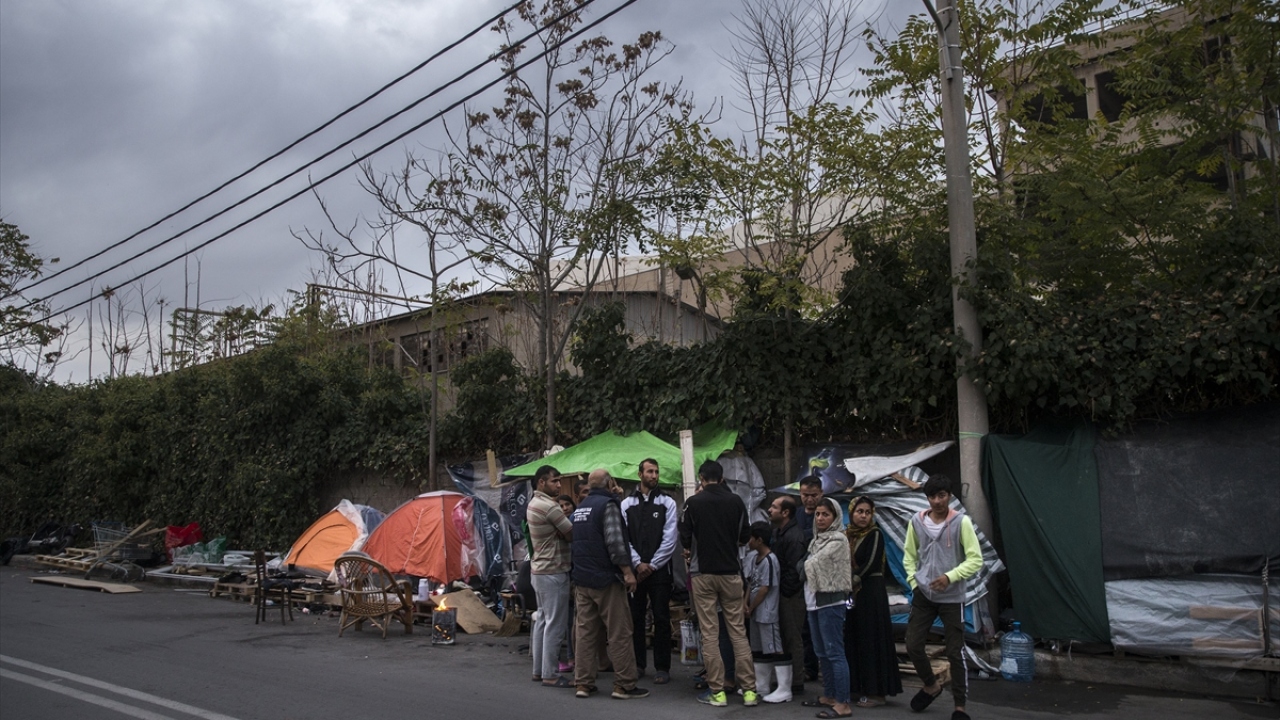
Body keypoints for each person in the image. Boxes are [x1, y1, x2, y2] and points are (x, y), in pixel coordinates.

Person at [903, 474, 983, 720]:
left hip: (951, 597)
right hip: (924, 595)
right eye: (932, 496)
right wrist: (914, 582)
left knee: (954, 651)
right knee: (913, 645)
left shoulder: (962, 523)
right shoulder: (916, 521)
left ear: (949, 496)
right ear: (926, 498)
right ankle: (931, 685)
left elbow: (975, 559)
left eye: (941, 496)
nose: (937, 501)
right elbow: (909, 555)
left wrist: (951, 576)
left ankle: (960, 706)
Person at [679, 460, 758, 707]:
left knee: (710, 634)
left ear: (701, 478)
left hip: (702, 573)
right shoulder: (736, 502)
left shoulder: (693, 503)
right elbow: (745, 536)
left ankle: (718, 691)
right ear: (722, 478)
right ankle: (749, 691)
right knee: (738, 632)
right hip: (731, 572)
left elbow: (684, 537)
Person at [570, 469, 649, 700]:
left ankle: (583, 683)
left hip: (582, 579)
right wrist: (627, 572)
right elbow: (614, 541)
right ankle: (624, 684)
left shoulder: (582, 507)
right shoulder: (608, 506)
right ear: (610, 483)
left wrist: (615, 497)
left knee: (585, 633)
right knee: (619, 631)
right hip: (606, 578)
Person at [620, 458, 678, 685]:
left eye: (656, 471)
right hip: (636, 572)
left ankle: (662, 667)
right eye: (650, 471)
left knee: (662, 618)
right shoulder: (626, 504)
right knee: (635, 618)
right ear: (640, 474)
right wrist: (636, 564)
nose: (654, 476)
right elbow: (624, 538)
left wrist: (652, 565)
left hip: (660, 572)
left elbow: (670, 538)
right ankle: (638, 664)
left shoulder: (667, 502)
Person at [843, 496, 902, 708]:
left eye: (867, 512)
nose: (863, 516)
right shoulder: (847, 535)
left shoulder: (874, 533)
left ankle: (877, 693)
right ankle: (859, 686)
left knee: (871, 639)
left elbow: (871, 563)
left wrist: (852, 579)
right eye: (859, 511)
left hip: (870, 592)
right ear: (852, 513)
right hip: (852, 594)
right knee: (854, 637)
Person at [802, 497, 852, 719]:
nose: (820, 518)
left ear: (835, 517)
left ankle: (843, 703)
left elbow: (811, 564)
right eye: (818, 514)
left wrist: (802, 565)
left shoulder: (838, 540)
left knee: (834, 653)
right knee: (821, 651)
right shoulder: (817, 540)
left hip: (830, 602)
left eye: (825, 514)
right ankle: (830, 695)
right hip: (813, 601)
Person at [526, 465, 573, 688]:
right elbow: (571, 532)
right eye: (555, 481)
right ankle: (551, 674)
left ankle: (539, 670)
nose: (559, 485)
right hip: (554, 570)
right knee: (555, 624)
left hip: (539, 570)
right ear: (542, 483)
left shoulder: (533, 503)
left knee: (543, 620)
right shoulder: (549, 506)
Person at [743, 521, 788, 702]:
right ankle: (761, 685)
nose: (748, 542)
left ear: (759, 540)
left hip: (767, 612)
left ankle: (784, 688)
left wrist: (752, 606)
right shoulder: (754, 558)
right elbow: (751, 583)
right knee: (759, 648)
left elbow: (764, 588)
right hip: (754, 612)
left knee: (774, 648)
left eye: (751, 538)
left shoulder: (770, 559)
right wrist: (745, 603)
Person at [767, 494, 806, 700]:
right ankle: (785, 679)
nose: (769, 510)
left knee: (792, 637)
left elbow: (794, 569)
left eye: (774, 507)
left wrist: (785, 591)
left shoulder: (794, 536)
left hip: (790, 595)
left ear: (786, 513)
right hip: (782, 592)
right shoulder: (779, 533)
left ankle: (796, 681)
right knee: (783, 636)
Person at [797, 475, 824, 682]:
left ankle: (816, 668)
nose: (809, 499)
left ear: (821, 494)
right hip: (798, 578)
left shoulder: (825, 515)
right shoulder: (796, 514)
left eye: (813, 495)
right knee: (803, 628)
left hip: (820, 578)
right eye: (805, 495)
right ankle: (807, 667)